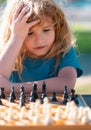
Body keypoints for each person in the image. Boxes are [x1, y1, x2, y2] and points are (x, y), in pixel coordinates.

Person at [0, 0, 83, 94]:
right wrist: (16, 38)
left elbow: (66, 84)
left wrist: (13, 88)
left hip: (54, 107)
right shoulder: (11, 52)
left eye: (46, 30)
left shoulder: (64, 51)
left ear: (57, 28)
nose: (39, 40)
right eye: (29, 33)